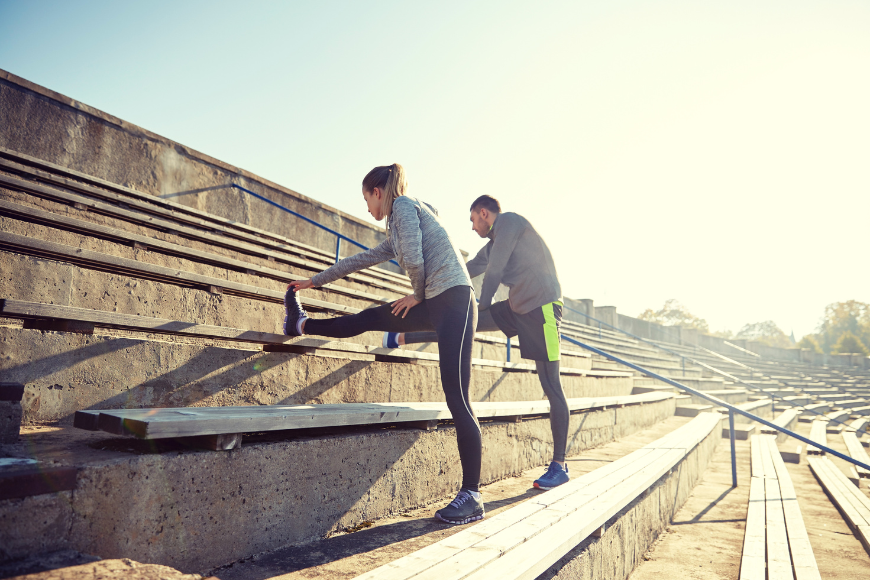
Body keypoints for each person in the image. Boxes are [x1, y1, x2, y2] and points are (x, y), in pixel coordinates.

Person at [283, 164, 484, 524]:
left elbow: (419, 260)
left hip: (453, 300)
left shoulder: (404, 206)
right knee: (372, 317)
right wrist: (314, 282)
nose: (367, 208)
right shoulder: (397, 226)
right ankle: (301, 323)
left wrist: (416, 295)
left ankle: (472, 495)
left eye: (366, 199)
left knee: (457, 397)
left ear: (379, 192)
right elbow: (358, 260)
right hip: (434, 301)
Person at [383, 195, 570, 490]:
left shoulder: (509, 222)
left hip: (542, 306)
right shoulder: (493, 245)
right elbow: (466, 269)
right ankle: (404, 335)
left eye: (472, 219)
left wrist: (482, 303)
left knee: (551, 384)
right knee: (460, 323)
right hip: (518, 306)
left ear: (484, 213)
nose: (471, 227)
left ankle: (560, 465)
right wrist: (424, 287)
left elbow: (494, 271)